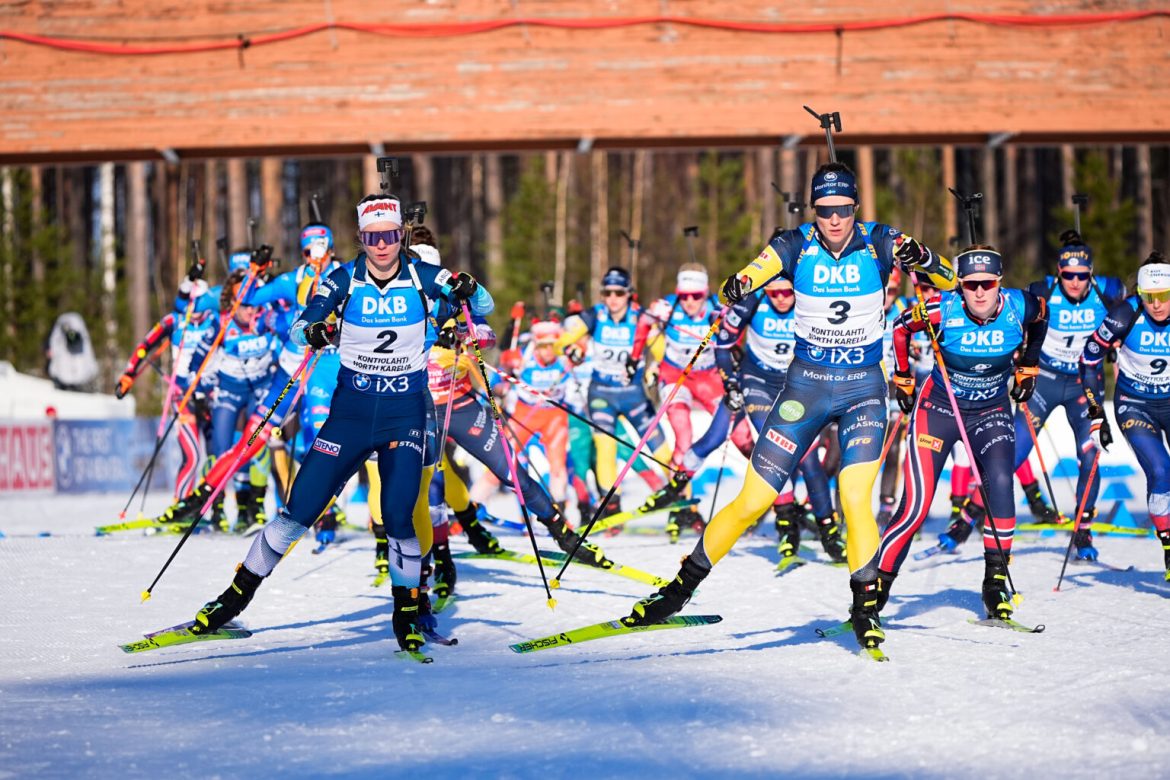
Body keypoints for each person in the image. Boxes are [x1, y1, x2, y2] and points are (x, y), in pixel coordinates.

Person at [622, 162, 953, 651]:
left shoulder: (882, 240)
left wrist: (923, 258)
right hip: (805, 390)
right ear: (813, 209)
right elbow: (750, 273)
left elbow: (949, 279)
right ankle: (677, 592)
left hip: (863, 391)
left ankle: (864, 609)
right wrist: (736, 285)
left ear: (855, 207)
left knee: (854, 497)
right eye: (824, 210)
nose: (834, 219)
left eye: (843, 209)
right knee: (752, 501)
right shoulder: (795, 244)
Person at [188, 192, 493, 653]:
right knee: (298, 511)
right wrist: (316, 330)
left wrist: (471, 290)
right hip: (351, 415)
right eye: (372, 237)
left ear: (401, 235)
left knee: (398, 516)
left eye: (389, 235)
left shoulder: (425, 277)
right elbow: (300, 326)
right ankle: (233, 599)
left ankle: (407, 614)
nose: (382, 245)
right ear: (360, 239)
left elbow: (483, 305)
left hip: (404, 416)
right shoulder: (342, 279)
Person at [866, 247, 1048, 645]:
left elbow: (1043, 315)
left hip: (990, 410)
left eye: (987, 284)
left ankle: (994, 584)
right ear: (960, 286)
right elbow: (900, 328)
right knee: (916, 506)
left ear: (999, 283)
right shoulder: (941, 310)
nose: (980, 292)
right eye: (970, 285)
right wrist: (903, 378)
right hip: (939, 409)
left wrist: (1028, 365)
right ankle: (875, 591)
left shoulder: (1021, 306)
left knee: (1001, 482)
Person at [1009, 231, 1125, 547]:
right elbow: (1015, 321)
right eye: (1069, 275)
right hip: (1044, 381)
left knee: (1090, 454)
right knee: (1013, 452)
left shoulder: (1108, 290)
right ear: (1059, 271)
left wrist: (1117, 345)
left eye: (1082, 275)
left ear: (1091, 273)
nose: (1075, 282)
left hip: (1084, 385)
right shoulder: (1042, 291)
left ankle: (1083, 527)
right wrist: (1018, 356)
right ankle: (976, 514)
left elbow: (1130, 316)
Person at [1080, 251, 1170, 579]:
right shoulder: (1124, 314)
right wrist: (1096, 413)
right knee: (1160, 470)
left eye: (1164, 296)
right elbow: (1088, 359)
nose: (1156, 305)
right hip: (1135, 403)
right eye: (1149, 296)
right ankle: (1168, 545)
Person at [556, 267, 670, 517]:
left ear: (629, 293)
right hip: (602, 394)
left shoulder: (641, 317)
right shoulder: (594, 315)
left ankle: (683, 502)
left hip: (633, 394)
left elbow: (662, 352)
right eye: (607, 293)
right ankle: (611, 506)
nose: (613, 298)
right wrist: (570, 349)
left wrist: (654, 366)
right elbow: (562, 340)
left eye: (619, 292)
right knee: (605, 448)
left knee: (660, 448)